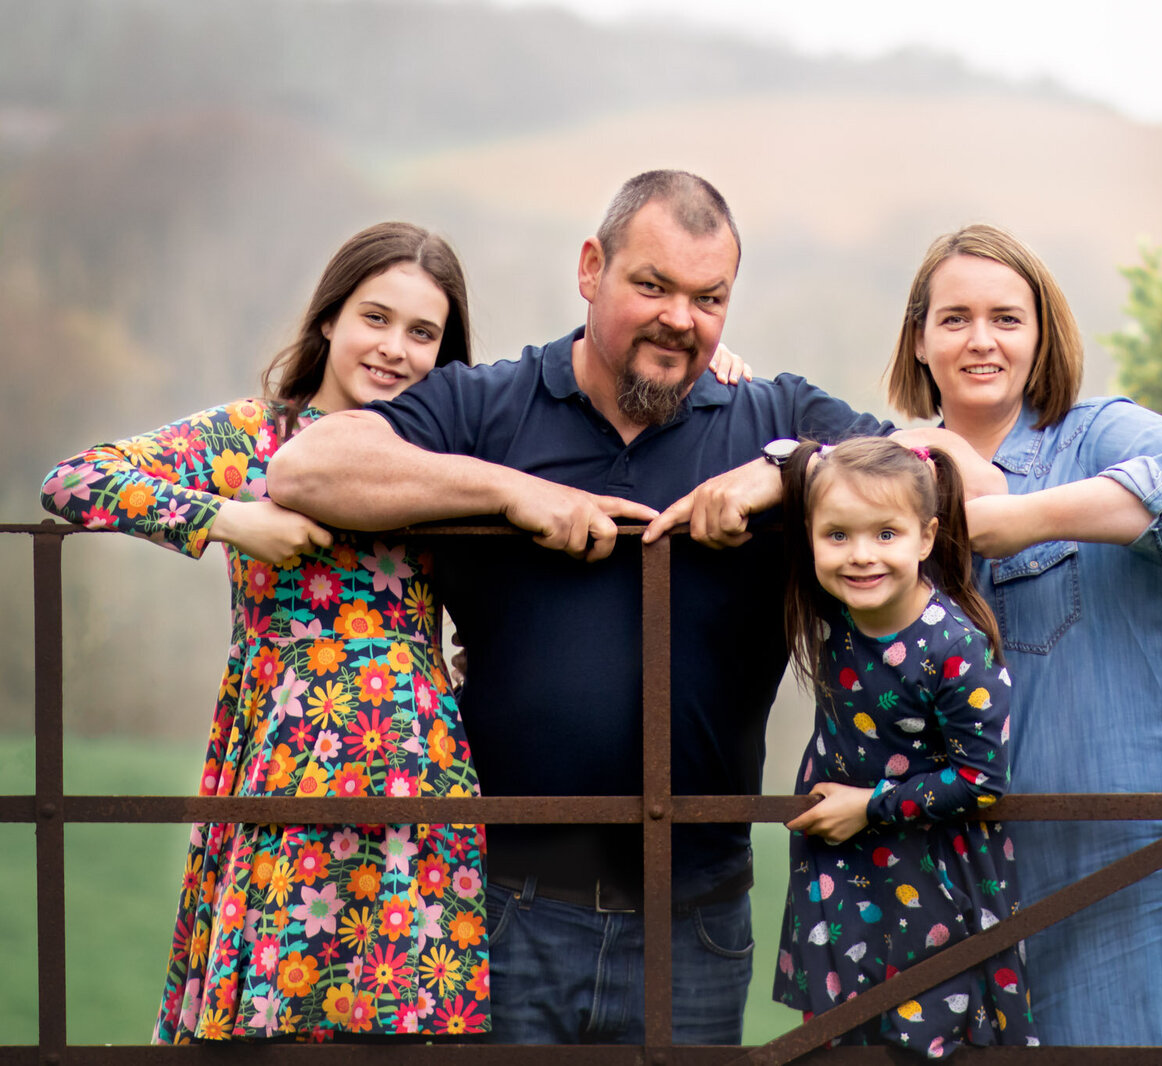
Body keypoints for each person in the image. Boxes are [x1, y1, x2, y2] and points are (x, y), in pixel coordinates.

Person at [265, 170, 920, 1045]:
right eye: (651, 286)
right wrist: (509, 494)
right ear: (590, 269)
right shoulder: (492, 405)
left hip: (696, 918)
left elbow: (934, 466)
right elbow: (307, 469)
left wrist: (782, 472)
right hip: (500, 908)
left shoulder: (773, 413)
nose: (679, 319)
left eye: (707, 297)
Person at [37, 222, 492, 1041]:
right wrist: (230, 520)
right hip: (285, 763)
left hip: (416, 777)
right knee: (270, 1026)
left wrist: (729, 379)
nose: (395, 348)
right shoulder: (254, 435)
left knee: (410, 1025)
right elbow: (74, 480)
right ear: (330, 319)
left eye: (423, 333)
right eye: (375, 318)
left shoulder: (448, 450)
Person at [885, 224, 1162, 1047]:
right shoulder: (890, 472)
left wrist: (1025, 518)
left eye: (1006, 318)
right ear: (919, 338)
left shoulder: (1094, 436)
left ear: (1041, 334)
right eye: (953, 318)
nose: (980, 340)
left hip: (1110, 881)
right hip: (940, 881)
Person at [771, 437, 1037, 1058]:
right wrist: (790, 463)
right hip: (841, 864)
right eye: (836, 535)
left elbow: (982, 782)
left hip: (931, 866)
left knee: (926, 1038)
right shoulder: (834, 610)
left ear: (926, 537)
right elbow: (786, 458)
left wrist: (870, 807)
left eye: (886, 534)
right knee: (840, 1037)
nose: (861, 556)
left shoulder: (954, 647)